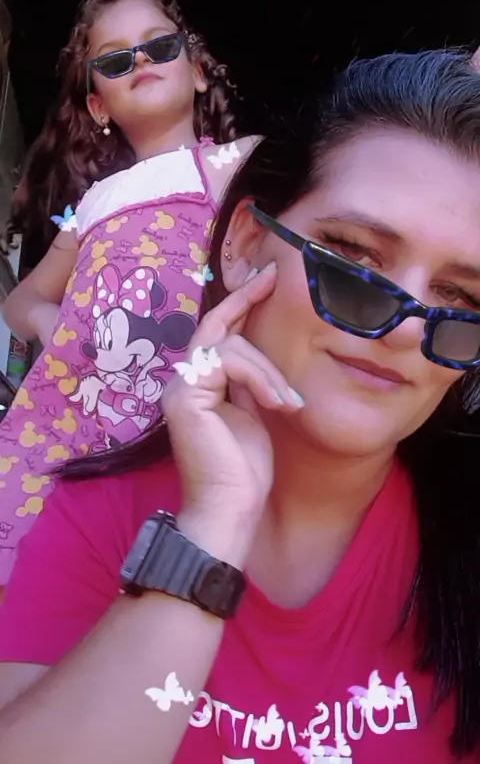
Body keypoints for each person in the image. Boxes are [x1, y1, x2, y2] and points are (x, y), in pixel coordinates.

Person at [2, 49, 480, 763]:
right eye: (354, 259)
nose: (408, 328)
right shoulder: (96, 517)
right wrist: (209, 531)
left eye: (461, 300)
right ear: (247, 244)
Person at [0, 0, 255, 584]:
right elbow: (22, 299)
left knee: (140, 588)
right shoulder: (94, 201)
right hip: (59, 430)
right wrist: (50, 322)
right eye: (115, 60)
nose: (140, 61)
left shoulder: (237, 164)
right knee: (27, 585)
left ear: (197, 72)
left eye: (158, 46)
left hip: (174, 432)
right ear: (99, 107)